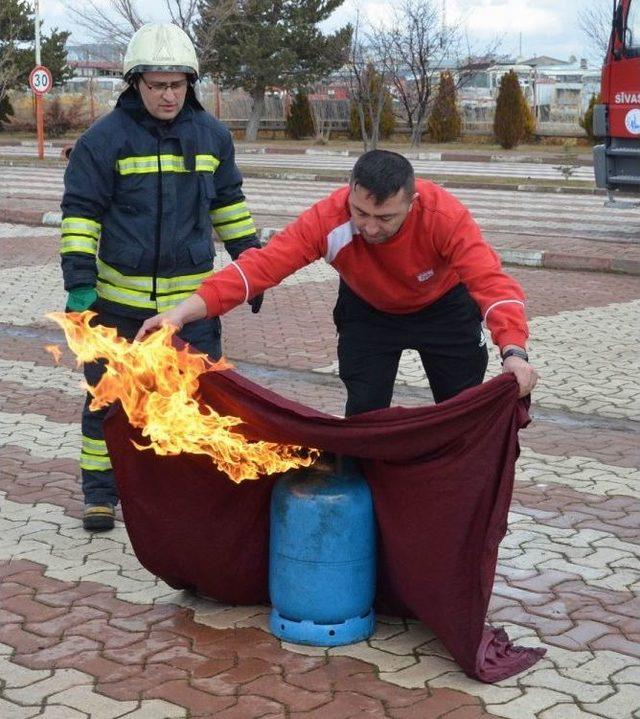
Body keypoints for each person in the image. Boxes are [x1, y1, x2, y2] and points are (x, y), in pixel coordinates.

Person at [137, 148, 538, 413]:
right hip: (369, 312)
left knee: (461, 409)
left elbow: (493, 284)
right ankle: (365, 497)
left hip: (444, 309)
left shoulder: (443, 218)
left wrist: (514, 353)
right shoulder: (330, 219)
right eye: (361, 212)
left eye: (385, 218)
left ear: (411, 204)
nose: (370, 227)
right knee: (364, 408)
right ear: (350, 192)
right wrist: (181, 313)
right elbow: (260, 268)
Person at [61, 23, 262, 532]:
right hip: (117, 307)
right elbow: (81, 215)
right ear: (135, 83)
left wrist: (250, 264)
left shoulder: (212, 136)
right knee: (107, 402)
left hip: (190, 310)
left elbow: (229, 204)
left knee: (197, 402)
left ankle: (189, 494)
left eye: (178, 84)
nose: (169, 95)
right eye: (157, 85)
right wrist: (80, 284)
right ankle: (100, 496)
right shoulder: (103, 141)